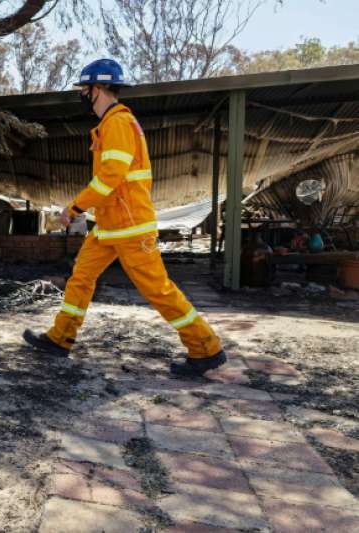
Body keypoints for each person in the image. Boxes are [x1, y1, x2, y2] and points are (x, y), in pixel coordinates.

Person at [23, 59, 226, 376]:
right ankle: (60, 338)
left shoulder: (117, 123)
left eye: (84, 89)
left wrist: (73, 208)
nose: (82, 95)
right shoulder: (110, 124)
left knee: (158, 290)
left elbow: (110, 178)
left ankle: (206, 348)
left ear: (97, 89)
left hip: (130, 228)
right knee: (81, 277)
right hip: (109, 228)